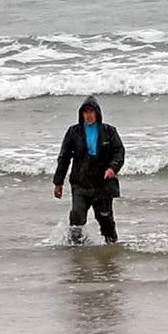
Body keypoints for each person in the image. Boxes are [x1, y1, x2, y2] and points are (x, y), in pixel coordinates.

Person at [53, 95, 125, 244]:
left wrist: (113, 168)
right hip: (81, 182)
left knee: (105, 219)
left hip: (103, 183)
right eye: (85, 112)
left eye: (91, 112)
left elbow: (119, 151)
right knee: (77, 217)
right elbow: (64, 157)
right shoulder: (74, 132)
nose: (88, 115)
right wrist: (58, 183)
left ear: (97, 113)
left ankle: (111, 249)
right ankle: (75, 250)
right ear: (81, 114)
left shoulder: (109, 131)